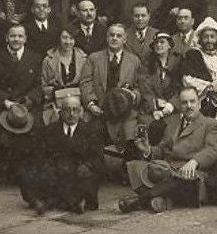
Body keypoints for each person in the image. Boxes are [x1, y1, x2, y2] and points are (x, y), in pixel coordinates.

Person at [120, 86, 217, 213]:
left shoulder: (210, 124)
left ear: (199, 103)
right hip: (168, 171)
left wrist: (195, 161)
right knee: (136, 167)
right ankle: (165, 200)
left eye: (192, 101)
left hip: (192, 175)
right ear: (180, 106)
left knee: (180, 180)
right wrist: (147, 150)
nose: (189, 106)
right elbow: (162, 149)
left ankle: (141, 201)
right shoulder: (173, 124)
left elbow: (212, 150)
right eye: (184, 103)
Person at [21, 95, 105, 215]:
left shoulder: (91, 132)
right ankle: (64, 202)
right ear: (60, 112)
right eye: (67, 110)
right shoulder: (50, 130)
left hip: (78, 173)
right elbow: (40, 154)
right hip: (56, 171)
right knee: (28, 175)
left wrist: (87, 166)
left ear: (81, 112)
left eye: (75, 110)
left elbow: (98, 158)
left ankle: (53, 202)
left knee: (86, 177)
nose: (71, 114)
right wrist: (48, 166)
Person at [0, 24, 45, 182]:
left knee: (36, 129)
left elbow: (40, 84)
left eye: (20, 36)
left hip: (27, 105)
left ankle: (27, 169)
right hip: (4, 105)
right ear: (6, 37)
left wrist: (28, 100)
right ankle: (7, 168)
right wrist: (6, 102)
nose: (16, 39)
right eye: (13, 36)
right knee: (1, 134)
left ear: (25, 38)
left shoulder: (35, 58)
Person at [83, 23, 143, 160]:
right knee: (92, 134)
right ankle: (98, 172)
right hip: (100, 110)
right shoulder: (94, 58)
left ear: (125, 40)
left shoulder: (134, 61)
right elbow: (86, 82)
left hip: (125, 112)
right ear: (106, 37)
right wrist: (91, 104)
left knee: (131, 135)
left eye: (119, 36)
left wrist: (133, 96)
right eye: (112, 35)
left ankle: (126, 172)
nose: (114, 38)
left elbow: (140, 87)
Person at [40, 26, 89, 124]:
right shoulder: (48, 59)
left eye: (71, 38)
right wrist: (53, 91)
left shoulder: (83, 59)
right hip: (55, 102)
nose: (68, 42)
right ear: (59, 38)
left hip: (78, 103)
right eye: (64, 37)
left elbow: (86, 83)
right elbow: (43, 85)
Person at [138, 32, 182, 128]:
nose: (158, 45)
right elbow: (144, 88)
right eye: (156, 43)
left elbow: (180, 87)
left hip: (172, 110)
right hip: (151, 110)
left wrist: (171, 105)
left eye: (162, 42)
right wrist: (155, 104)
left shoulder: (178, 64)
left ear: (169, 45)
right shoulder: (147, 65)